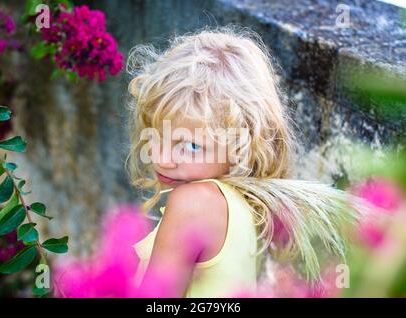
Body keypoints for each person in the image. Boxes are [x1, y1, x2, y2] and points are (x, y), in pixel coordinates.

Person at [125, 25, 372, 298]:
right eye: (159, 135)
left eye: (192, 146)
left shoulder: (194, 202)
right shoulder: (250, 204)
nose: (162, 158)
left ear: (241, 147)